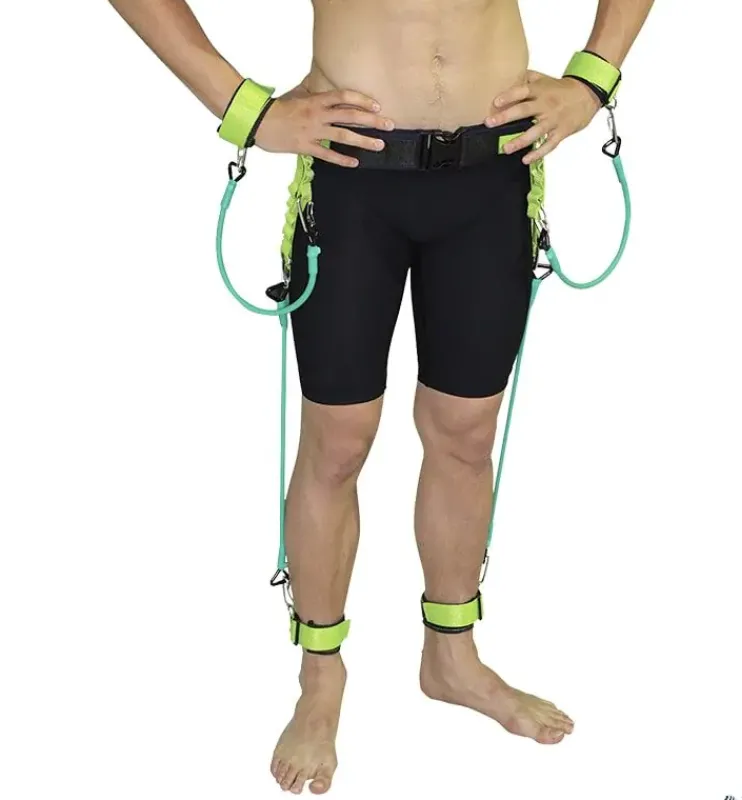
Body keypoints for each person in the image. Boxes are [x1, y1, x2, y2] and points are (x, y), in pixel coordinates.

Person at [109, 0, 653, 793]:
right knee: (339, 441)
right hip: (352, 174)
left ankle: (452, 657)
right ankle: (320, 676)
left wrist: (593, 79)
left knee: (466, 431)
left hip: (495, 168)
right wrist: (245, 109)